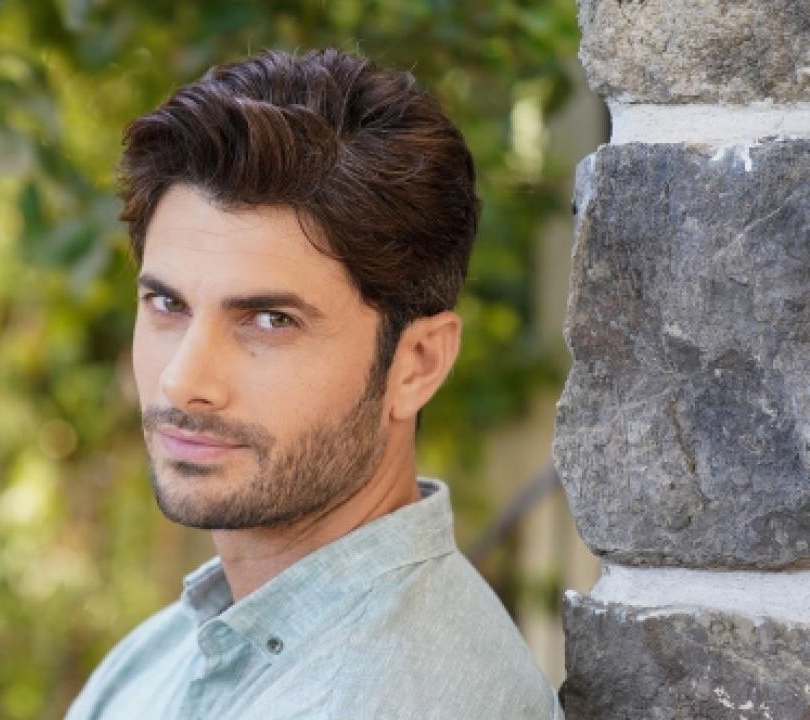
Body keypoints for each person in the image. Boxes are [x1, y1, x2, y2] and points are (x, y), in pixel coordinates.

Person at [66, 49, 563, 719]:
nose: (183, 381)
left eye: (271, 320)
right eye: (167, 304)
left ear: (417, 364)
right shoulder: (154, 660)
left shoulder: (399, 698)